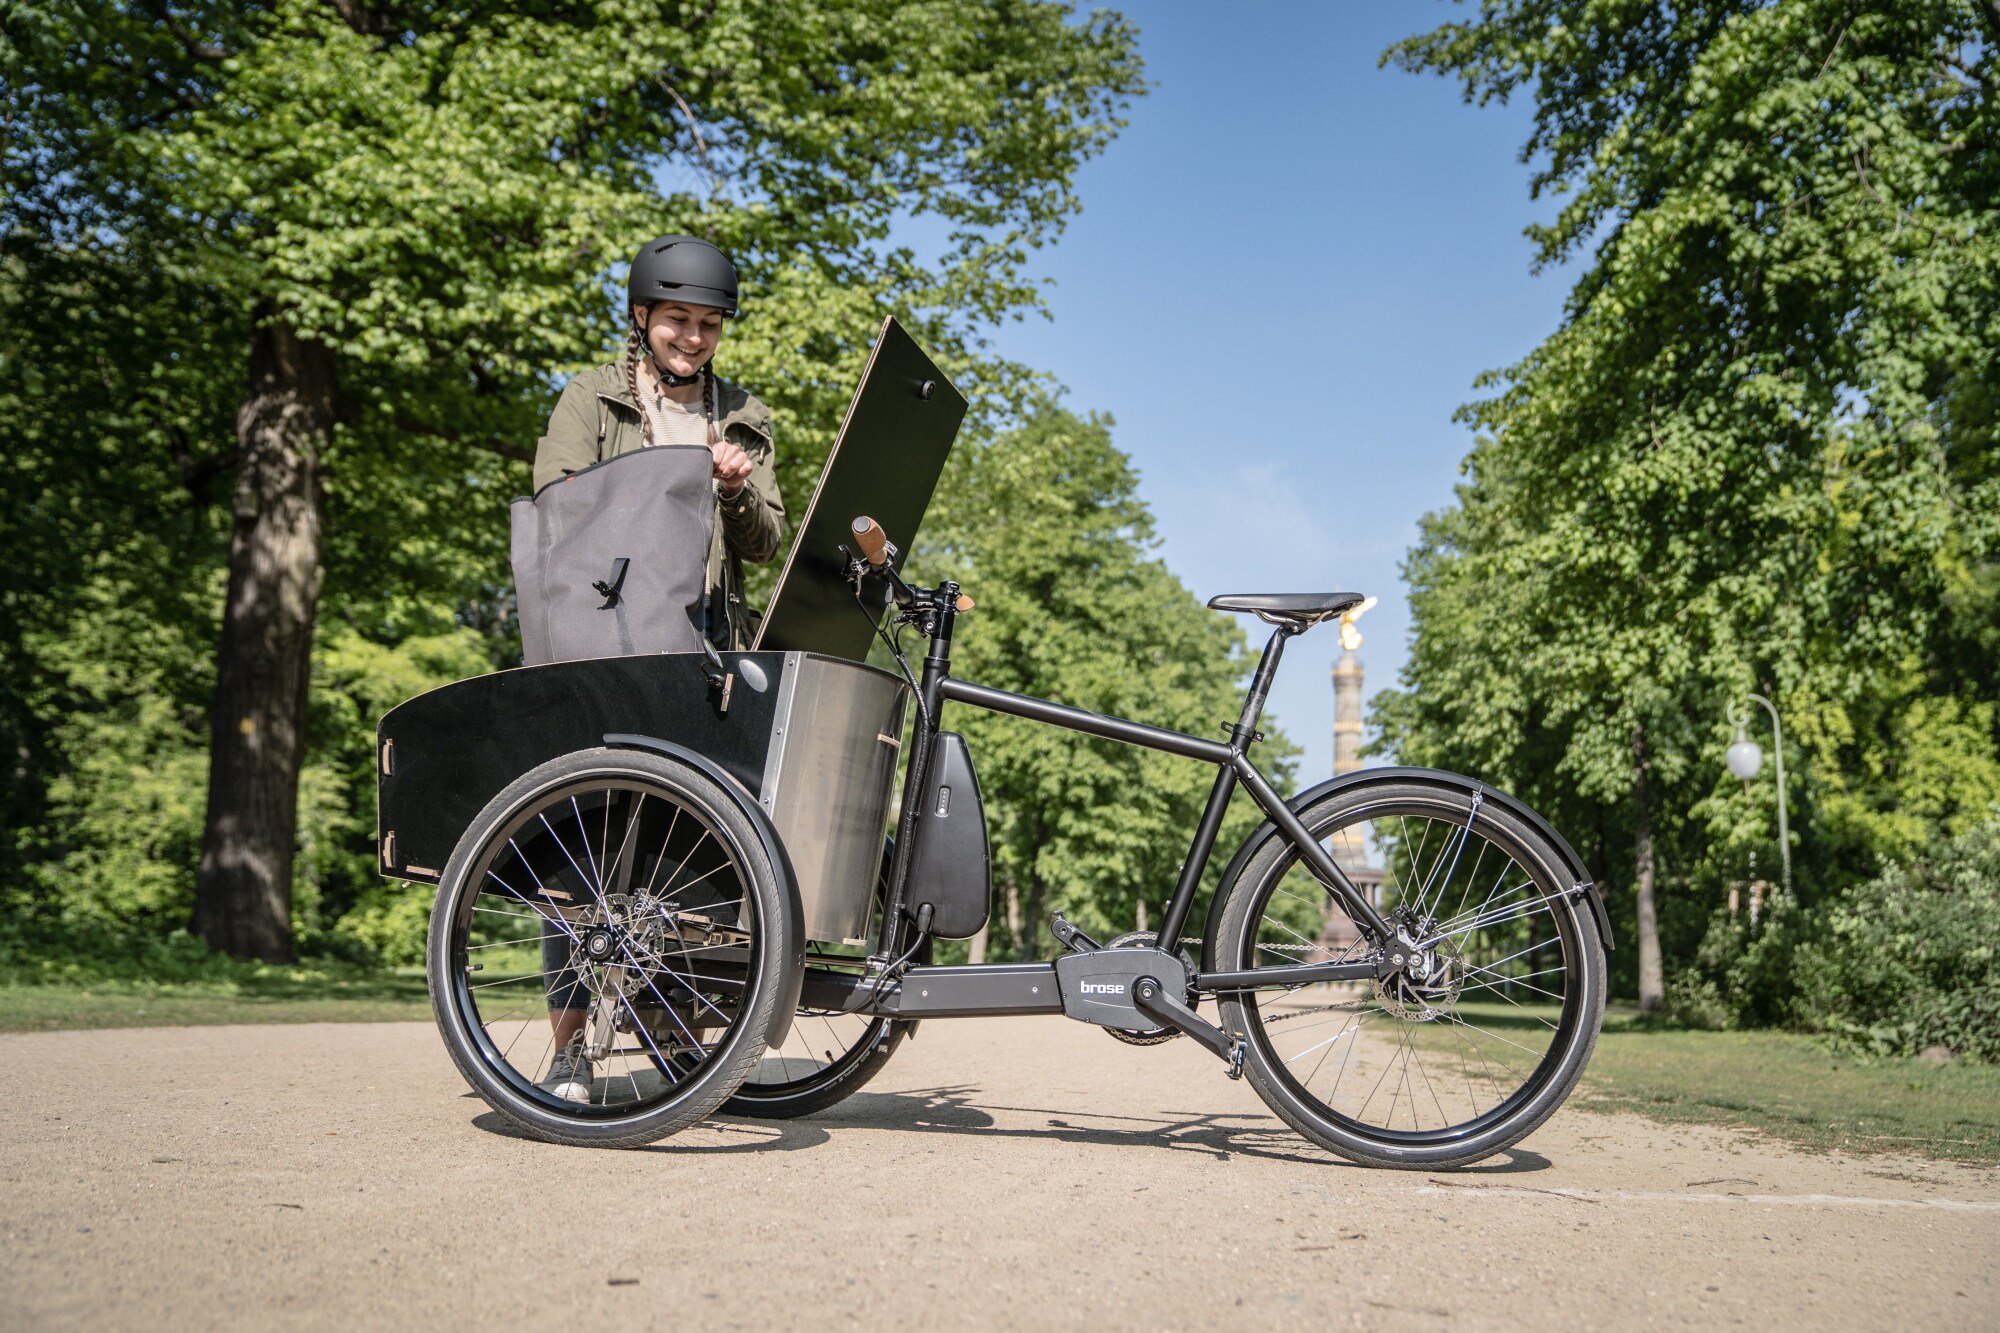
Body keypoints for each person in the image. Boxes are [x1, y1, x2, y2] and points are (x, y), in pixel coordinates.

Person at [532, 235, 786, 1102]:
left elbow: (769, 537)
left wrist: (733, 487)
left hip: (706, 639)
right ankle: (569, 1046)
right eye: (678, 318)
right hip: (603, 637)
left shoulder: (745, 414)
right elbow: (555, 500)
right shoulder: (591, 397)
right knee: (586, 845)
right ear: (643, 317)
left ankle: (679, 1031)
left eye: (708, 323)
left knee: (700, 841)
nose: (693, 337)